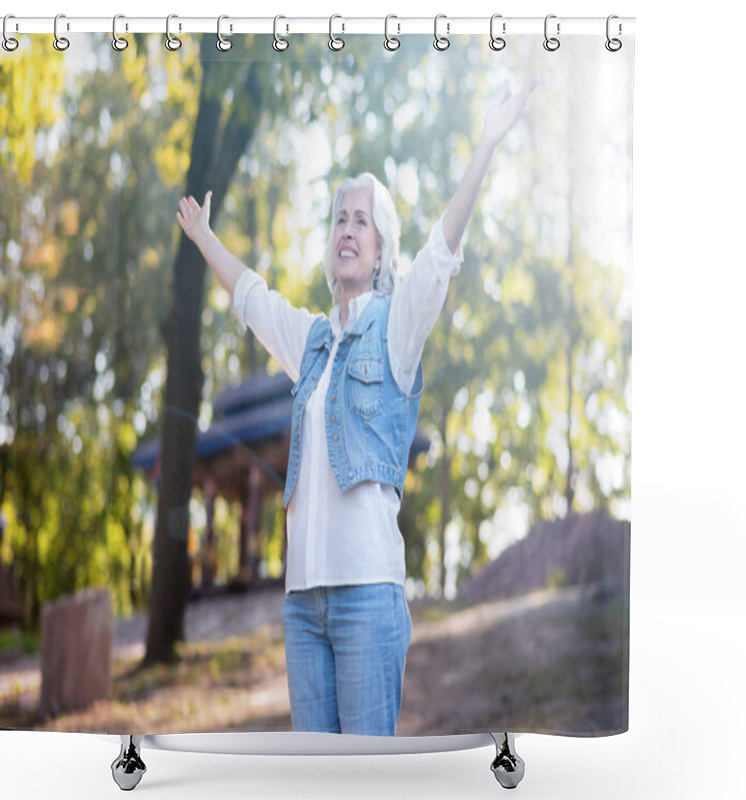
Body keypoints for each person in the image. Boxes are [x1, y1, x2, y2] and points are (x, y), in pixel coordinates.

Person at [176, 81, 531, 736]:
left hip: (368, 594)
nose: (346, 227)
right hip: (302, 604)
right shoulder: (309, 340)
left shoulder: (396, 330)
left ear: (379, 250)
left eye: (360, 220)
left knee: (366, 779)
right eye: (340, 217)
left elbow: (440, 254)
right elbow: (251, 296)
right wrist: (202, 236)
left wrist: (484, 143)